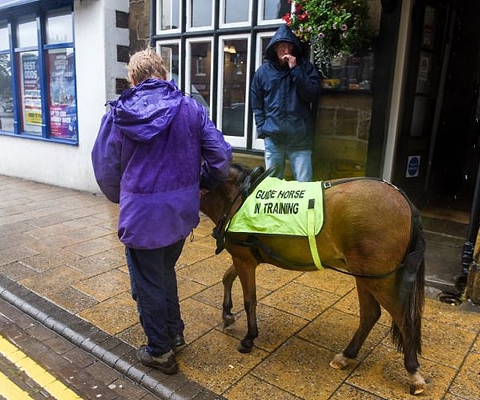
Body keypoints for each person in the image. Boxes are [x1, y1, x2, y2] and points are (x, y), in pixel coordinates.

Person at [91, 48, 232, 374]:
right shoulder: (192, 109)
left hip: (141, 216)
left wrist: (123, 198)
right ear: (165, 75)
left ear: (132, 79)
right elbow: (221, 159)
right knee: (163, 271)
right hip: (181, 213)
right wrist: (203, 184)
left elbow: (105, 170)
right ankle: (175, 333)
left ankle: (160, 351)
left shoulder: (118, 114)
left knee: (149, 282)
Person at [250, 24, 320, 182]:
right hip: (273, 138)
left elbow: (312, 95)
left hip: (300, 139)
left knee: (304, 186)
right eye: (281, 46)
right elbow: (256, 103)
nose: (285, 50)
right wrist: (263, 129)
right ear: (275, 49)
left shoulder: (305, 68)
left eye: (288, 46)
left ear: (293, 48)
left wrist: (295, 69)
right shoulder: (263, 72)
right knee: (272, 186)